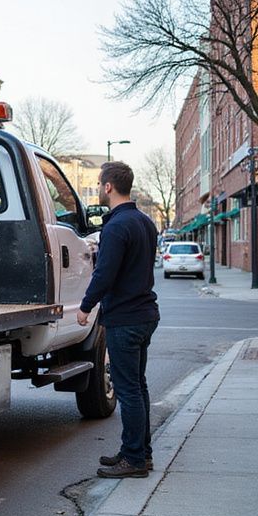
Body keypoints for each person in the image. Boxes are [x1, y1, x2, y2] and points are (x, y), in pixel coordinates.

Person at [76, 161, 160, 478]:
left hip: (125, 318)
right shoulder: (145, 222)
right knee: (137, 386)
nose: (99, 189)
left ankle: (135, 460)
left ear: (108, 187)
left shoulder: (115, 227)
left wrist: (85, 307)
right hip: (144, 314)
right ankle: (138, 451)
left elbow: (105, 275)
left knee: (128, 390)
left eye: (100, 184)